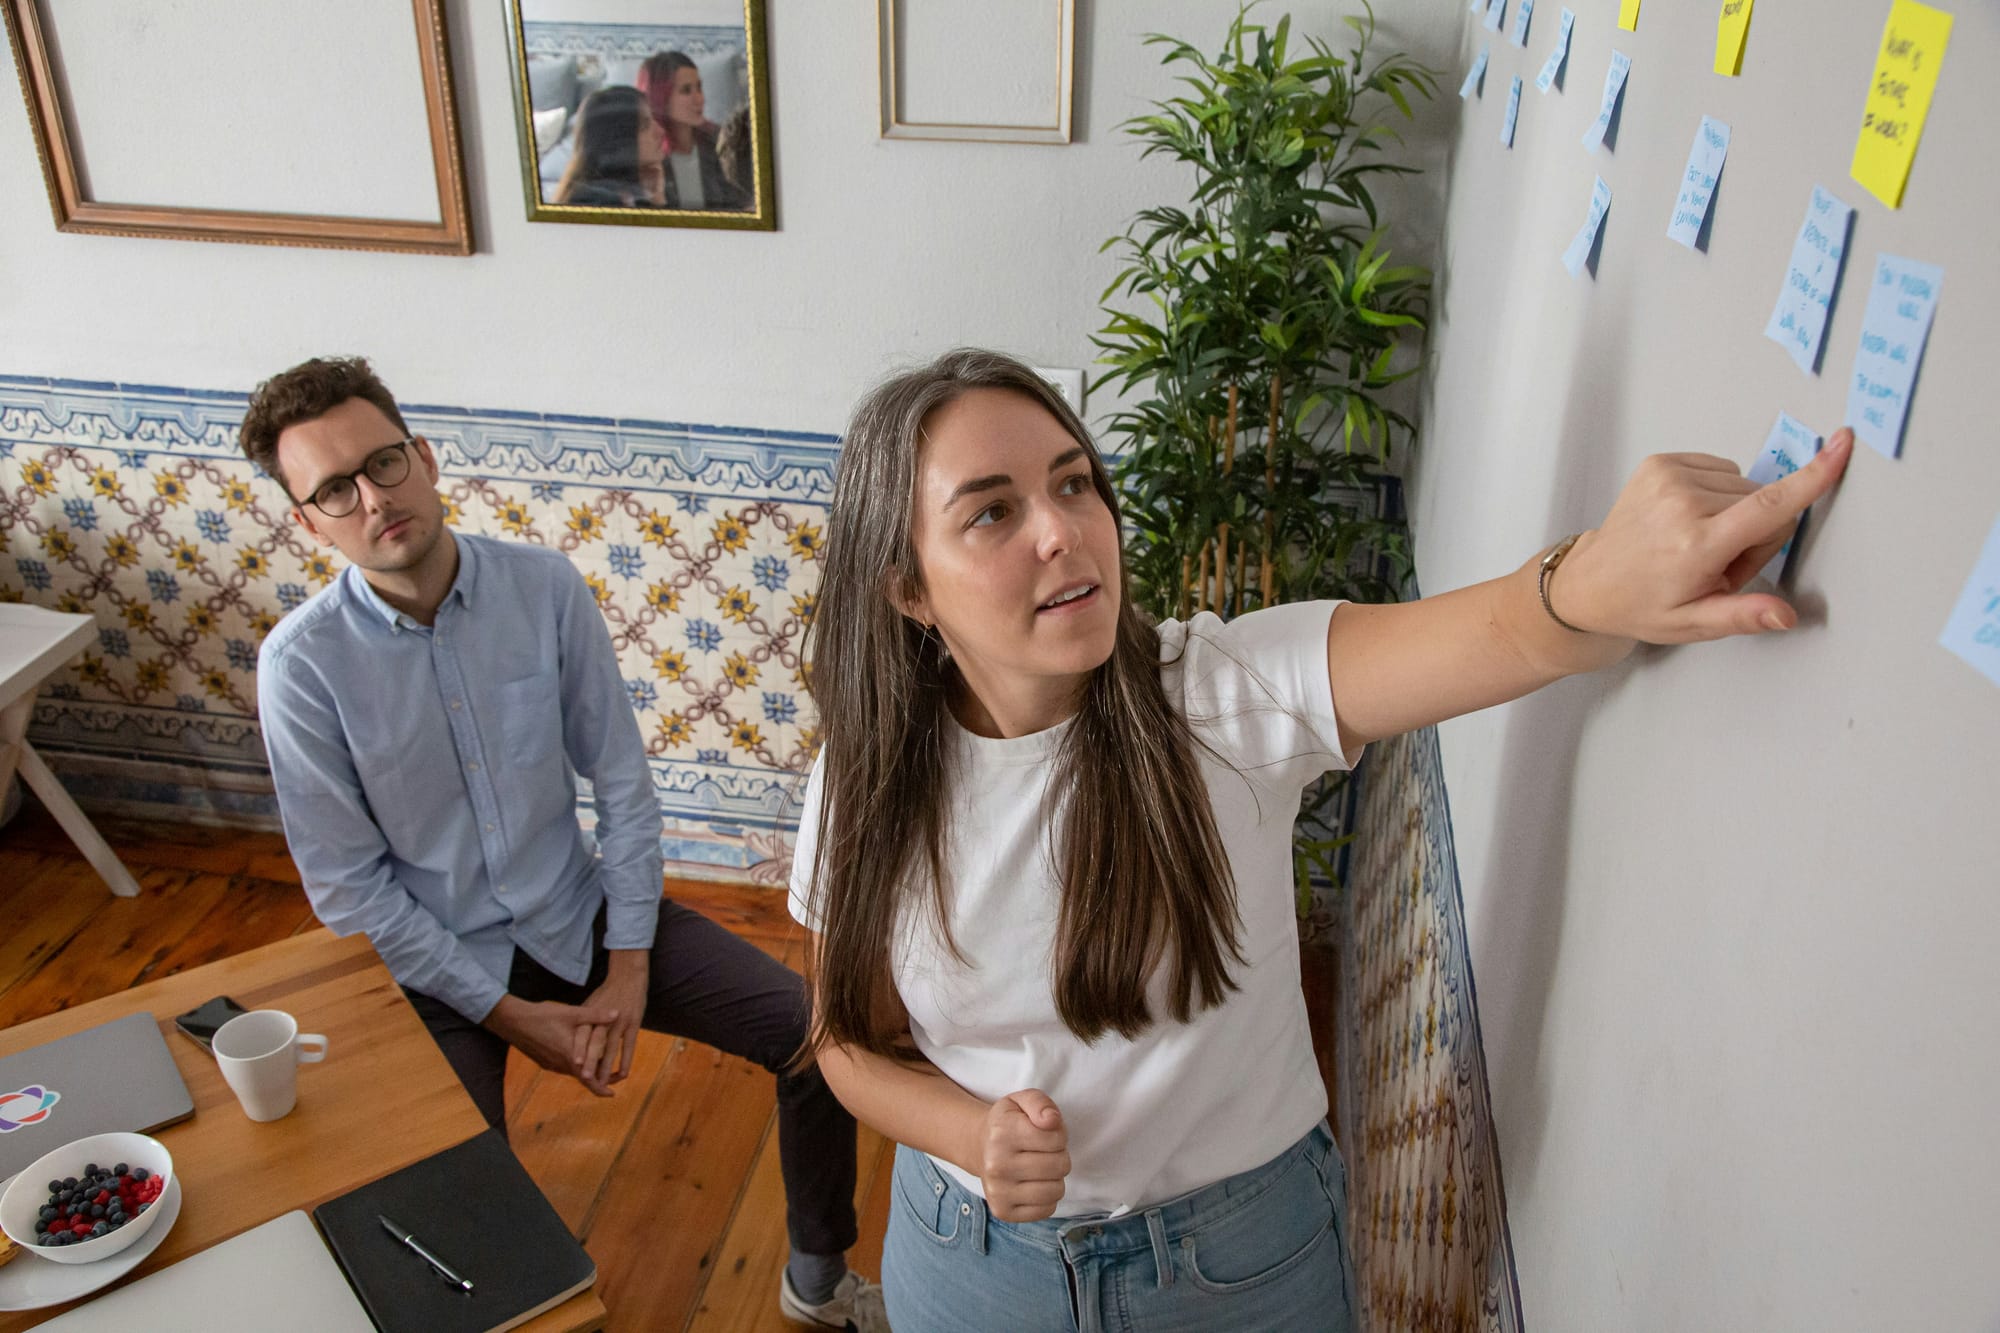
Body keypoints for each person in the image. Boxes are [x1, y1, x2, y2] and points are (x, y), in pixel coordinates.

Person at [790, 349, 1853, 1331]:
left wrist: (1603, 576)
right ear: (909, 589)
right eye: (990, 512)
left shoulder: (1223, 695)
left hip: (1238, 1265)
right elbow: (843, 1044)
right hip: (968, 1262)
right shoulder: (868, 781)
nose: (1062, 530)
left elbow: (1512, 630)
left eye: (1074, 483)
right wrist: (962, 1133)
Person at [242, 357, 886, 1332]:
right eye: (334, 488)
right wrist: (506, 1015)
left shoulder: (542, 588)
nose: (373, 497)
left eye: (383, 462)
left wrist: (627, 968)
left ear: (421, 456)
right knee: (448, 1192)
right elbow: (350, 892)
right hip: (438, 968)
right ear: (306, 519)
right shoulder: (300, 667)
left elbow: (621, 786)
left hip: (582, 916)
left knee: (814, 1039)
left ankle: (816, 1273)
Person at [636, 51, 749, 211]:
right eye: (686, 90)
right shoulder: (648, 156)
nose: (699, 99)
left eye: (699, 88)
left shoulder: (722, 143)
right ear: (660, 98)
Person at [554, 85, 665, 208]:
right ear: (616, 139)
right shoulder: (598, 202)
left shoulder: (626, 193)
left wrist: (655, 197)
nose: (660, 131)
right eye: (645, 126)